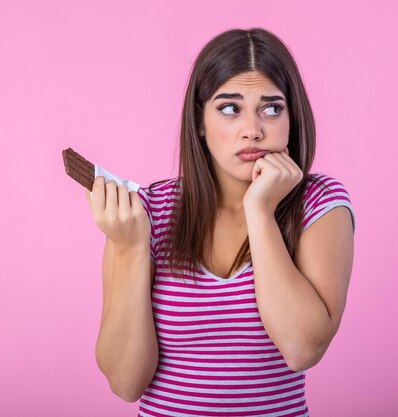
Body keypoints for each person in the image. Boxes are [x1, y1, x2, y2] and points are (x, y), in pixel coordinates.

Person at [87, 27, 356, 417]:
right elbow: (126, 383)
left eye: (272, 108)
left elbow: (301, 349)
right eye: (230, 108)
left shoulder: (319, 204)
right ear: (199, 121)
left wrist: (260, 210)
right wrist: (131, 249)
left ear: (292, 118)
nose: (253, 129)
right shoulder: (146, 212)